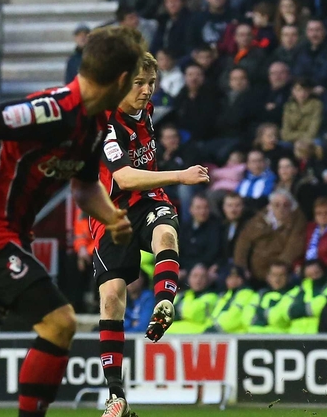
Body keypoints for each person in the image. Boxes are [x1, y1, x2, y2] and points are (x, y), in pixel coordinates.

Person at [0, 26, 144, 417]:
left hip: (11, 237)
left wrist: (112, 218)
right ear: (122, 79)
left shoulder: (92, 126)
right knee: (60, 323)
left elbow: (85, 187)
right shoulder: (55, 109)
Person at [90, 52, 212, 416]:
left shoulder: (146, 110)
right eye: (139, 84)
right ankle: (116, 396)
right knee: (111, 298)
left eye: (151, 83)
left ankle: (164, 301)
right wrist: (180, 174)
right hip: (111, 212)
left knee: (165, 233)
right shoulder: (109, 125)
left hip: (147, 201)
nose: (146, 91)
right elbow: (124, 178)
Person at [167, 264, 219, 334]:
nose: (198, 280)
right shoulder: (181, 296)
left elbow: (194, 313)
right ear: (189, 278)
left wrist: (178, 312)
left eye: (202, 277)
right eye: (195, 276)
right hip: (175, 335)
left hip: (201, 336)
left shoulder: (212, 297)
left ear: (207, 279)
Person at [210, 265, 257, 333]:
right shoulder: (226, 295)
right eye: (230, 278)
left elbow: (233, 318)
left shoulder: (247, 293)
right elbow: (214, 315)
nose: (233, 280)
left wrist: (215, 328)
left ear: (243, 279)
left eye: (237, 277)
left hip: (237, 336)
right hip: (220, 333)